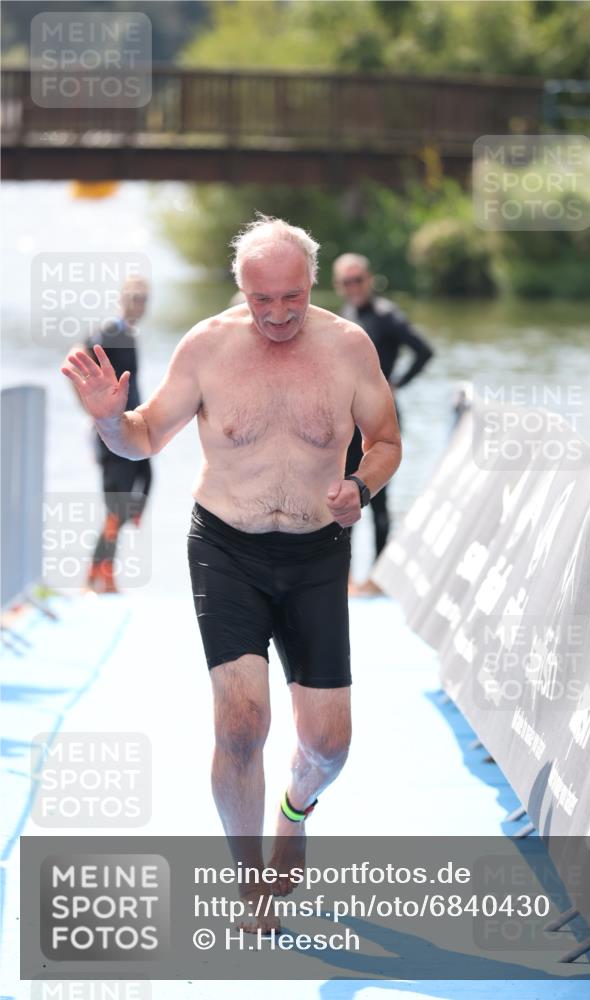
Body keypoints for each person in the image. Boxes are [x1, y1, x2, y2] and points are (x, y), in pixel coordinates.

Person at [61, 215, 402, 933]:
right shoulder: (208, 347)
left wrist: (360, 488)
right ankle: (249, 883)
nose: (276, 315)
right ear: (239, 289)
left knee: (328, 746)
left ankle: (296, 807)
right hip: (226, 548)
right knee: (241, 725)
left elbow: (386, 440)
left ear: (311, 284)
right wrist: (107, 421)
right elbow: (145, 434)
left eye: (290, 298)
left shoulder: (348, 347)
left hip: (315, 555)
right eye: (260, 299)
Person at [333, 253, 433, 595]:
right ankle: (344, 577)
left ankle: (376, 577)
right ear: (339, 285)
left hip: (379, 416)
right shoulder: (346, 315)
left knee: (378, 496)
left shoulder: (386, 316)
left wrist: (397, 383)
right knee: (344, 489)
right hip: (349, 419)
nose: (354, 287)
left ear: (369, 279)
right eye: (347, 282)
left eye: (358, 279)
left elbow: (424, 350)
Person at [70, 276, 153, 594]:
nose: (139, 304)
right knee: (115, 506)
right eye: (134, 297)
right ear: (122, 299)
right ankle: (97, 576)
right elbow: (76, 358)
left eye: (144, 298)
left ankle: (101, 573)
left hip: (131, 430)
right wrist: (91, 411)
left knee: (135, 492)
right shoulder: (110, 331)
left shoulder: (129, 334)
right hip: (111, 434)